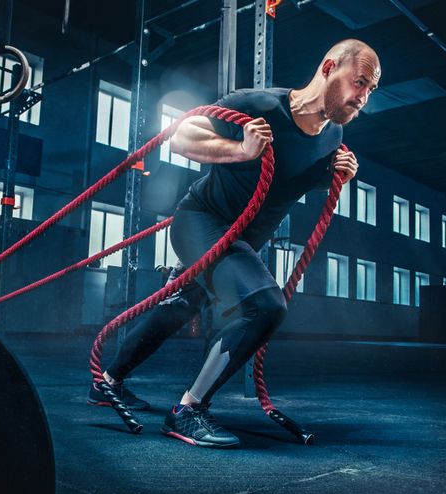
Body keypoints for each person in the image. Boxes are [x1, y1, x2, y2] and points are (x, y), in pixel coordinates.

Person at [88, 39, 381, 448]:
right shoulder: (258, 105)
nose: (363, 98)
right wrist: (241, 149)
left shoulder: (334, 137)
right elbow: (182, 137)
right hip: (201, 222)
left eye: (371, 90)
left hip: (242, 242)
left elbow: (293, 178)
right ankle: (187, 411)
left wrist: (337, 175)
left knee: (182, 306)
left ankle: (107, 382)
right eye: (360, 83)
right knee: (263, 305)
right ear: (330, 67)